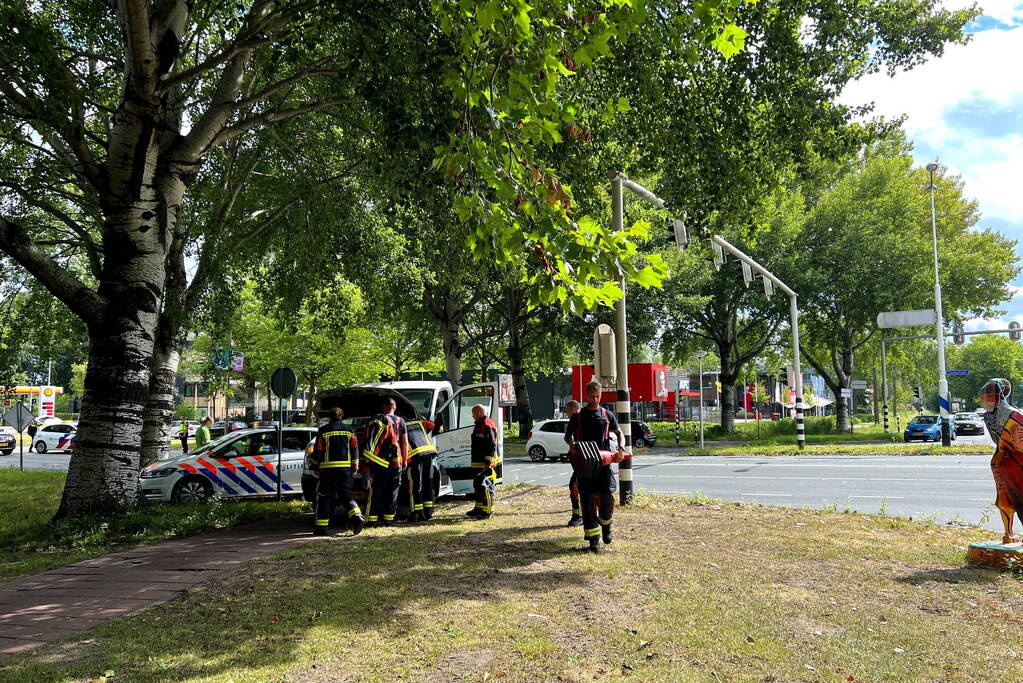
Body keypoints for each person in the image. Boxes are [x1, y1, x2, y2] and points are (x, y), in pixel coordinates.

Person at [568, 380, 626, 553]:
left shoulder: (608, 415)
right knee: (586, 502)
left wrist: (621, 448)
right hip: (585, 466)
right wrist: (571, 444)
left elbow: (619, 433)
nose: (595, 399)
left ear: (601, 395)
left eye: (598, 396)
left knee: (607, 498)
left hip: (603, 465)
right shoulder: (578, 416)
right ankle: (594, 540)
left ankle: (607, 525)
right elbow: (568, 435)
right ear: (586, 396)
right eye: (592, 396)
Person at [979, 378, 1023, 543]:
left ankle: (1008, 534)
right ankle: (1008, 534)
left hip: (1006, 461)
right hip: (1008, 462)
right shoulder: (1008, 415)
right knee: (1007, 499)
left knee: (1009, 499)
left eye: (988, 397)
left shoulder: (1010, 414)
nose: (985, 401)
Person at [310, 407, 364, 536]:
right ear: (342, 416)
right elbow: (355, 448)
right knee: (347, 496)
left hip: (327, 471)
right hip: (345, 470)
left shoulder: (323, 431)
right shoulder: (350, 430)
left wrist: (315, 464)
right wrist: (355, 466)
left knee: (325, 497)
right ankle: (357, 517)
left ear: (330, 417)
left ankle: (321, 528)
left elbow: (318, 450)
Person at [364, 397, 408, 526]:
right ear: (394, 407)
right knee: (393, 490)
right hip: (396, 461)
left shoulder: (377, 421)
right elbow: (404, 442)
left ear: (384, 408)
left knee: (377, 490)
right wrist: (404, 460)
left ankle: (372, 519)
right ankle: (388, 518)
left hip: (378, 461)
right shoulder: (401, 421)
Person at [468, 404, 500, 519]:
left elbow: (491, 444)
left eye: (474, 413)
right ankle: (479, 508)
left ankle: (488, 511)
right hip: (477, 461)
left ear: (479, 412)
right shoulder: (479, 425)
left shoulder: (487, 424)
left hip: (485, 463)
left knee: (485, 486)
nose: (473, 416)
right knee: (477, 486)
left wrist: (488, 461)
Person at [405, 418, 439, 521]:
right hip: (428, 452)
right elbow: (432, 425)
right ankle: (428, 512)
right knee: (427, 482)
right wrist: (422, 419)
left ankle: (418, 513)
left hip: (415, 455)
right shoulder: (418, 422)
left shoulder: (400, 425)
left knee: (416, 484)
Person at [563, 400, 583, 527]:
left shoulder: (582, 418)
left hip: (586, 460)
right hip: (579, 459)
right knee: (574, 486)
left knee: (575, 486)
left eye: (568, 411)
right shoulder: (574, 421)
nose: (566, 414)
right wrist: (572, 444)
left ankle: (578, 515)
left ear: (574, 409)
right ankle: (578, 514)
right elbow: (567, 436)